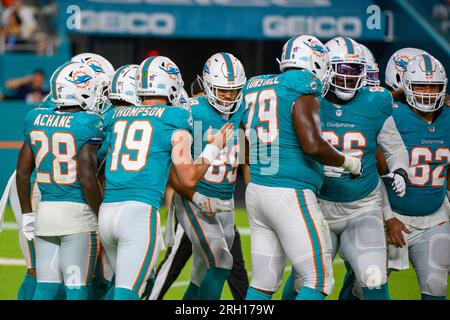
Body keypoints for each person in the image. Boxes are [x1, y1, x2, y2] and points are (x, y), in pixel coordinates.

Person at [98, 55, 234, 300]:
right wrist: (213, 147)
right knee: (127, 292)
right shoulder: (174, 117)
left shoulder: (116, 116)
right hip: (138, 213)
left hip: (106, 212)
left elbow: (97, 166)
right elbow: (189, 177)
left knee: (124, 283)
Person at [242, 35, 361, 301]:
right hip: (289, 193)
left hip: (258, 189)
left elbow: (244, 142)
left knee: (263, 282)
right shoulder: (302, 85)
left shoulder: (253, 86)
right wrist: (348, 161)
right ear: (315, 61)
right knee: (318, 279)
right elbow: (312, 145)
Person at [16, 62, 104, 300]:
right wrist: (101, 214)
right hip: (77, 216)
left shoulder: (37, 118)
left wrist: (27, 214)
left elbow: (23, 173)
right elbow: (87, 178)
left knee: (45, 288)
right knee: (77, 289)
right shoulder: (88, 123)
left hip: (45, 212)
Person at [164, 53, 247, 300]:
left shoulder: (241, 108)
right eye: (223, 91)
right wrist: (194, 196)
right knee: (222, 261)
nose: (229, 97)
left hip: (226, 201)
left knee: (200, 275)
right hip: (194, 198)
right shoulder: (188, 110)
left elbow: (244, 150)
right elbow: (169, 162)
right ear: (208, 86)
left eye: (234, 91)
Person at [383, 54, 449, 300]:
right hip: (391, 216)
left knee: (436, 287)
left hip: (435, 218)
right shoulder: (391, 113)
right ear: (406, 86)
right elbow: (375, 174)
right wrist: (387, 218)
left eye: (435, 86)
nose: (429, 92)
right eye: (421, 85)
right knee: (367, 282)